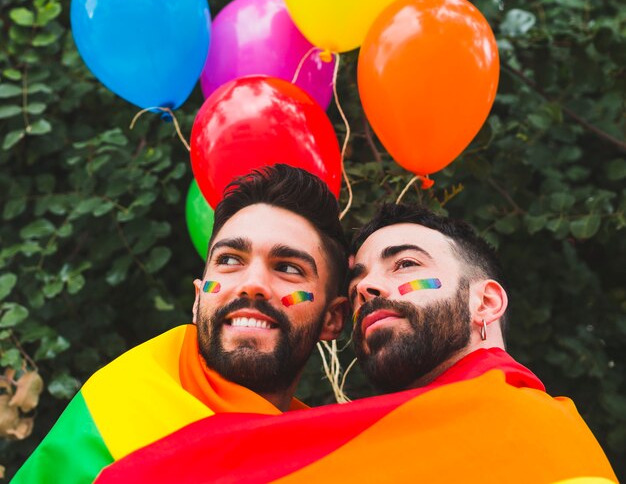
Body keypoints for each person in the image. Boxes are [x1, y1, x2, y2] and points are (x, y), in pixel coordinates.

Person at [93, 203, 617, 484]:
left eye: (406, 264)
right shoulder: (357, 439)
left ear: (487, 303)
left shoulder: (534, 428)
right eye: (359, 277)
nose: (368, 286)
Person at [12, 164, 348, 484]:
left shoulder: (336, 461)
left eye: (288, 268)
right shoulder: (114, 409)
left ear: (332, 319)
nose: (252, 284)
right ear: (198, 299)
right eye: (230, 260)